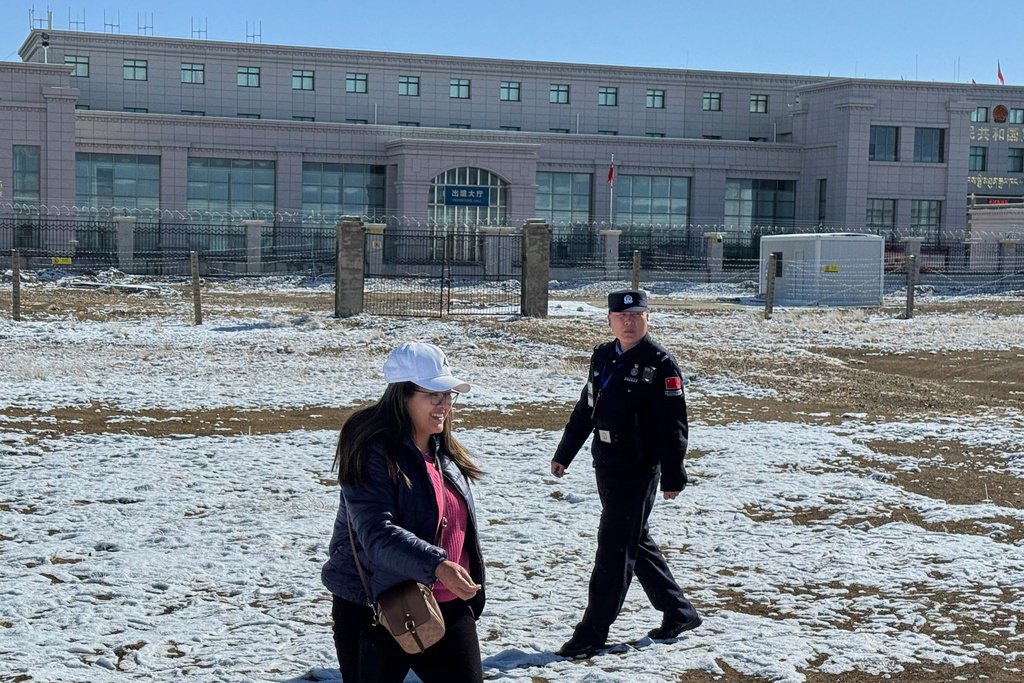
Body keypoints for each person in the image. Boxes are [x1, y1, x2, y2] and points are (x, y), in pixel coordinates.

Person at [321, 342, 486, 683]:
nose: (445, 405)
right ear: (402, 397)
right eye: (434, 395)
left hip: (446, 605)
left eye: (449, 394)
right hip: (378, 608)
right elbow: (377, 533)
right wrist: (438, 565)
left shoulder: (442, 450)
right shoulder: (370, 450)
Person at [551, 289, 701, 658]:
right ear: (610, 320)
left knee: (615, 546)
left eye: (637, 316)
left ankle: (592, 631)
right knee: (633, 537)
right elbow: (586, 407)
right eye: (622, 316)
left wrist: (673, 475)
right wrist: (564, 453)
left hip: (638, 464)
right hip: (605, 460)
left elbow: (673, 424)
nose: (629, 322)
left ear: (648, 318)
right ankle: (678, 612)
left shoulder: (659, 362)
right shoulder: (603, 355)